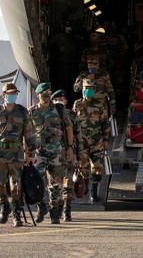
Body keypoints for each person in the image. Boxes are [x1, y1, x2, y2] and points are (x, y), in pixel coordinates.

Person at [0, 82, 38, 227]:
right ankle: (4, 206)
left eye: (15, 94)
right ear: (4, 96)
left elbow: (29, 133)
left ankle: (16, 213)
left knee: (17, 186)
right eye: (10, 94)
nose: (13, 96)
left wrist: (31, 153)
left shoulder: (22, 112)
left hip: (16, 154)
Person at [29, 83, 74, 224]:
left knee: (56, 184)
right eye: (44, 93)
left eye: (49, 93)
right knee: (35, 181)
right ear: (38, 95)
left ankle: (55, 213)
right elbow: (27, 133)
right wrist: (27, 152)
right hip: (39, 152)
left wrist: (70, 147)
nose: (47, 96)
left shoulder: (59, 109)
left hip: (56, 152)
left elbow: (68, 128)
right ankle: (42, 206)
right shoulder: (31, 112)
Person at [74, 77, 111, 203]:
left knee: (97, 168)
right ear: (82, 89)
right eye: (86, 88)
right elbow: (73, 124)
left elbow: (105, 123)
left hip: (97, 141)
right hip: (82, 141)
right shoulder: (77, 104)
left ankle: (93, 193)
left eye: (90, 89)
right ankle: (85, 187)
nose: (88, 91)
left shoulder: (100, 105)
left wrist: (106, 139)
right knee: (83, 168)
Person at [54, 90, 80, 221]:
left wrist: (80, 156)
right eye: (57, 99)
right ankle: (58, 208)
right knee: (56, 183)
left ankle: (67, 209)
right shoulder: (50, 115)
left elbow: (78, 136)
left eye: (62, 99)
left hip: (70, 153)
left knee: (68, 182)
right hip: (55, 155)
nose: (60, 101)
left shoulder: (72, 115)